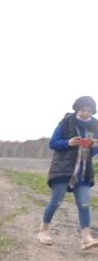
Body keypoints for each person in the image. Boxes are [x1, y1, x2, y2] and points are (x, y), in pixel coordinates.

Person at [38, 95, 98, 250]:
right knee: (56, 200)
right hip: (63, 169)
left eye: (89, 110)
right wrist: (68, 142)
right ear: (77, 109)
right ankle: (44, 230)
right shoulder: (66, 123)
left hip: (84, 171)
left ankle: (86, 238)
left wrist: (95, 146)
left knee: (84, 204)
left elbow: (93, 152)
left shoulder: (95, 126)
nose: (86, 113)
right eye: (83, 110)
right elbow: (53, 143)